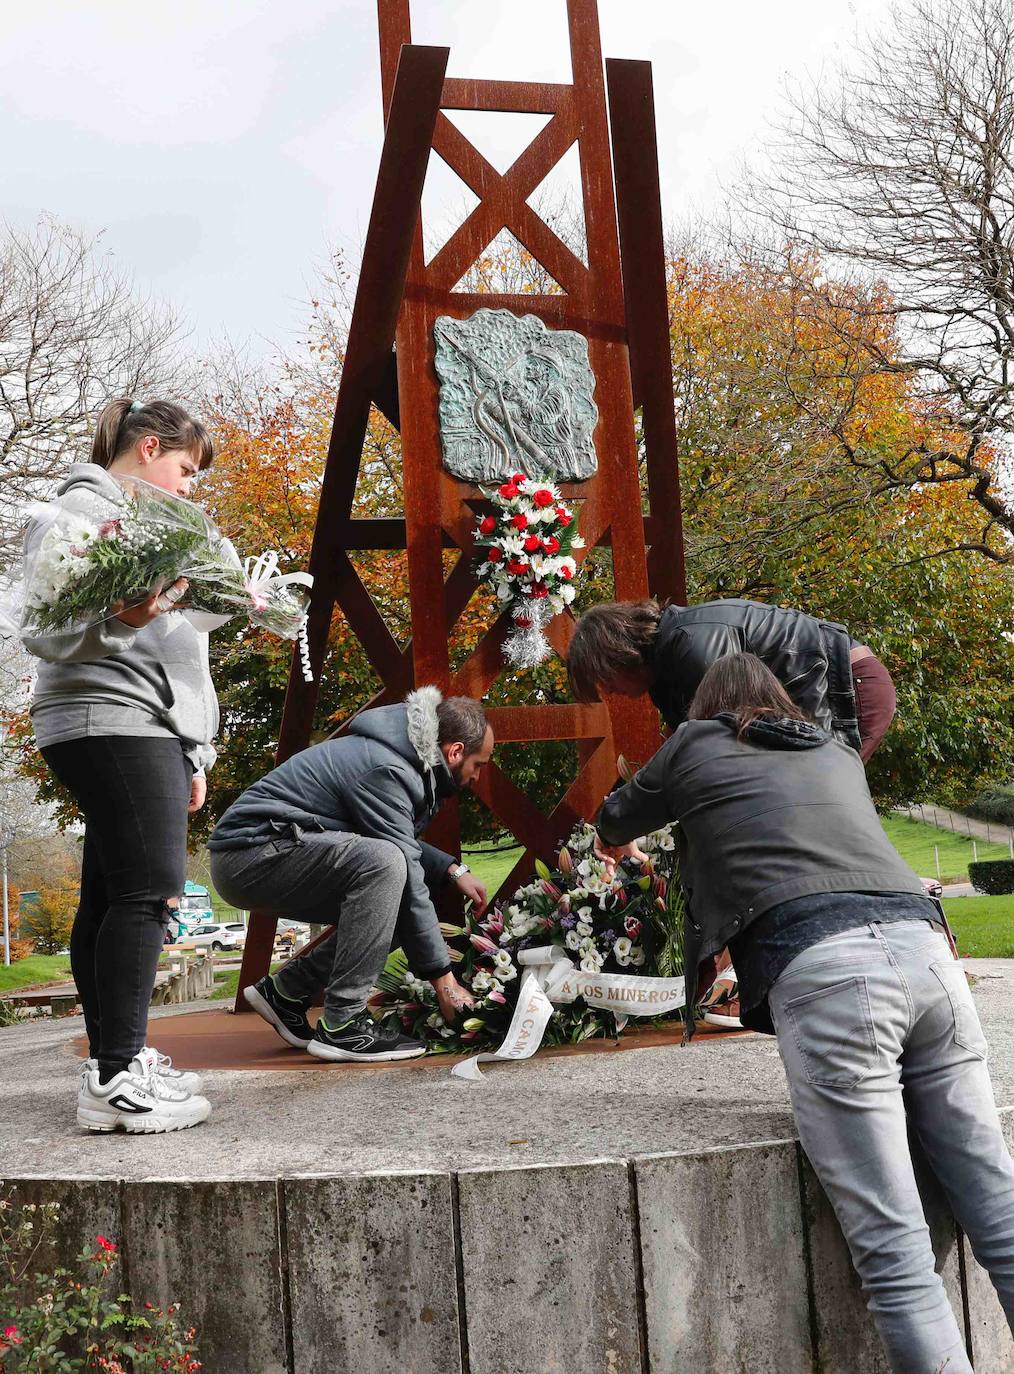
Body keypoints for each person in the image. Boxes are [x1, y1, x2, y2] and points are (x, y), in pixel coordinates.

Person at [595, 652, 1014, 1373]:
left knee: (896, 1255)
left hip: (830, 973)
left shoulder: (695, 741)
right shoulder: (833, 747)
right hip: (928, 956)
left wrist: (614, 840)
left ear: (710, 708)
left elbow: (617, 814)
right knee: (1002, 1213)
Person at [24, 398, 217, 1134]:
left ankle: (115, 1059)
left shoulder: (139, 522)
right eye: (185, 466)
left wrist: (192, 745)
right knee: (148, 894)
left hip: (139, 724)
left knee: (110, 895)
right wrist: (120, 620)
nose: (190, 483)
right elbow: (46, 627)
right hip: (112, 720)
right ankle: (116, 1078)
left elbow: (176, 651)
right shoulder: (80, 511)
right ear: (146, 447)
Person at [569, 597, 898, 1027]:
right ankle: (748, 973)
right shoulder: (671, 667)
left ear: (617, 654)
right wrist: (627, 821)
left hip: (846, 687)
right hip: (816, 696)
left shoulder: (692, 646)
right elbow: (686, 773)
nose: (610, 694)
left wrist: (619, 820)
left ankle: (816, 966)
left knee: (806, 822)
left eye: (604, 681)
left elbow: (717, 752)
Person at [209, 688, 493, 1062]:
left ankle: (287, 992)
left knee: (389, 899)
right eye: (479, 764)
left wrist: (451, 868)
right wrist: (444, 980)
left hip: (275, 850)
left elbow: (392, 836)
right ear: (455, 751)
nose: (476, 777)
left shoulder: (400, 757)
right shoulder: (388, 768)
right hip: (248, 854)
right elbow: (399, 858)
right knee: (387, 868)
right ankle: (344, 1024)